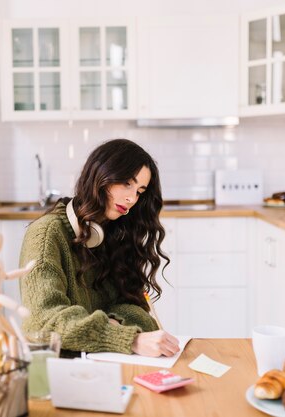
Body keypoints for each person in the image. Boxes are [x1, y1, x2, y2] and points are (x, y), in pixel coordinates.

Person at [18, 139, 180, 357]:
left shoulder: (113, 232)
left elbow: (136, 311)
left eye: (140, 191)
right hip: (57, 369)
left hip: (101, 360)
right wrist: (129, 339)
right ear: (100, 176)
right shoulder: (47, 235)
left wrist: (111, 324)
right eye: (126, 184)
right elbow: (44, 320)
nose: (132, 198)